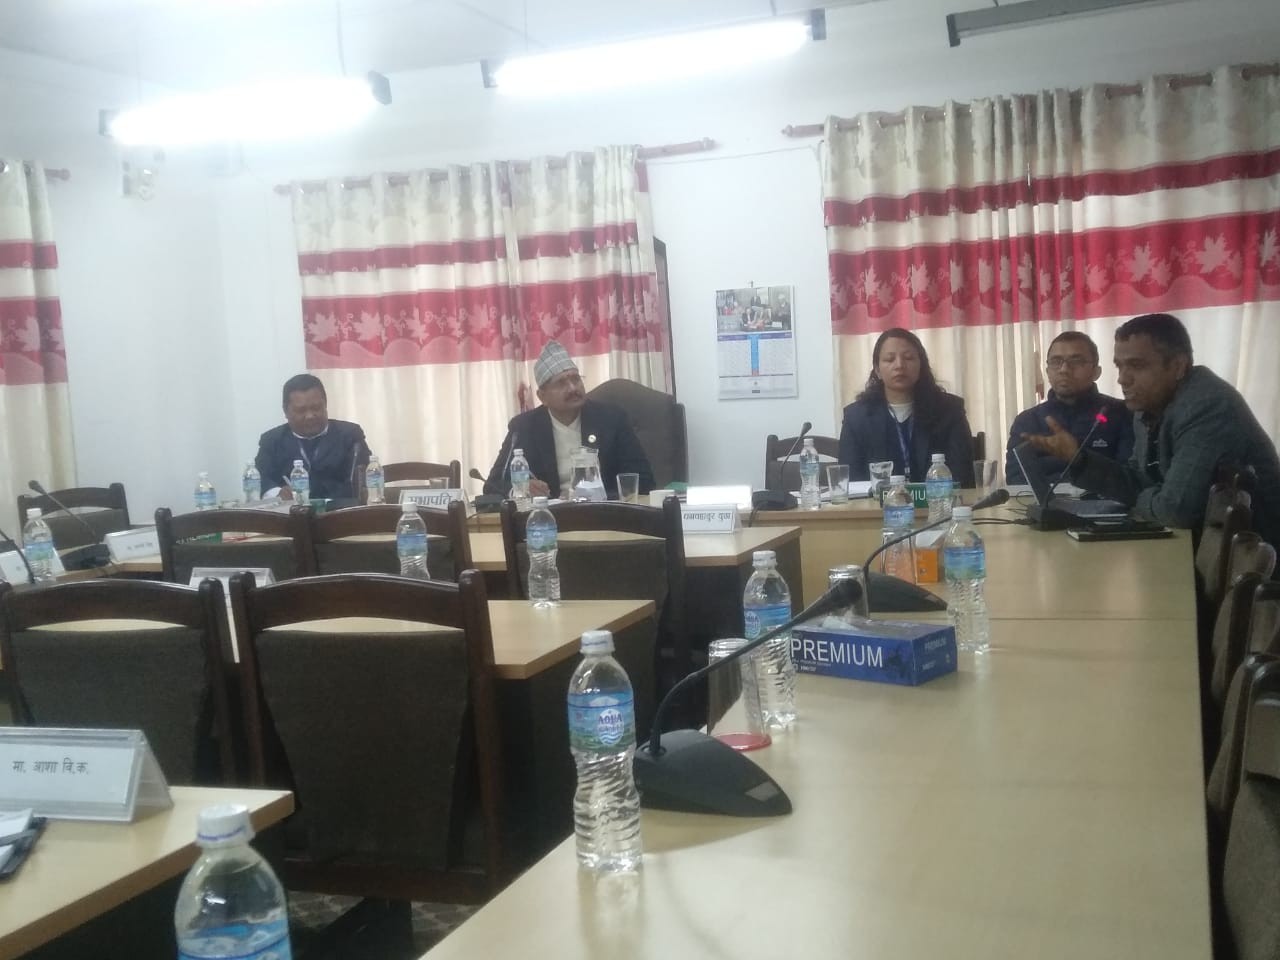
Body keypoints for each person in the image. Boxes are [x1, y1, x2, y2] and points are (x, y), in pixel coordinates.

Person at [1022, 313, 1280, 543]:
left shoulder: (1206, 405)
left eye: (1137, 365)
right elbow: (1140, 481)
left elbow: (1174, 511)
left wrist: (1142, 497)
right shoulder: (1148, 406)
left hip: (1252, 566)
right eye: (1119, 366)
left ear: (1178, 367)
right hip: (1194, 547)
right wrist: (1079, 460)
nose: (1122, 379)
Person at [484, 341, 655, 500]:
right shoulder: (524, 427)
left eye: (576, 379)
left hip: (603, 513)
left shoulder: (612, 419)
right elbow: (493, 486)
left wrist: (594, 498)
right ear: (542, 396)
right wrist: (521, 488)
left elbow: (644, 481)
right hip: (549, 515)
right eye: (561, 383)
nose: (573, 388)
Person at [838, 327, 976, 486]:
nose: (899, 365)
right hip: (878, 502)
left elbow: (963, 475)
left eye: (908, 358)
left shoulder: (949, 411)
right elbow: (850, 481)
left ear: (921, 366)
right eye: (890, 359)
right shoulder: (856, 418)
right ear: (877, 370)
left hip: (937, 499)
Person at [1005, 331, 1134, 484]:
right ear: (1047, 371)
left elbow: (1130, 478)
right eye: (1056, 362)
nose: (1064, 369)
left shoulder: (1123, 413)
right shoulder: (1027, 421)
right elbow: (1016, 479)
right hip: (1044, 499)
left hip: (1105, 498)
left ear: (1096, 372)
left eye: (1076, 361)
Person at [255, 374, 371, 501]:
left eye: (316, 408)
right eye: (301, 410)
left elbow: (362, 478)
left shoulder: (350, 435)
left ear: (325, 405)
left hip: (340, 510)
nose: (310, 416)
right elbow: (261, 479)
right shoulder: (272, 440)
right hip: (290, 511)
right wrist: (278, 493)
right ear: (285, 411)